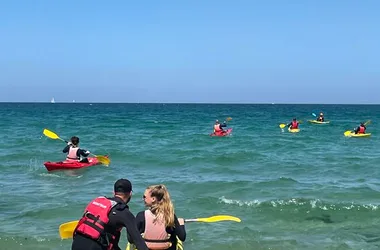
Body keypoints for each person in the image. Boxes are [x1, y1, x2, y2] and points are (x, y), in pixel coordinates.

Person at [72, 179, 149, 250]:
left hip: (76, 243)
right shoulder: (123, 212)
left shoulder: (99, 202)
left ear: (114, 192)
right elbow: (138, 241)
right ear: (130, 194)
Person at [130, 184, 186, 250]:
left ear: (153, 199)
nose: (143, 199)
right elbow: (182, 237)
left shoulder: (141, 216)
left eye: (144, 197)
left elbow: (130, 240)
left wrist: (131, 225)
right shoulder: (170, 216)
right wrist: (181, 224)